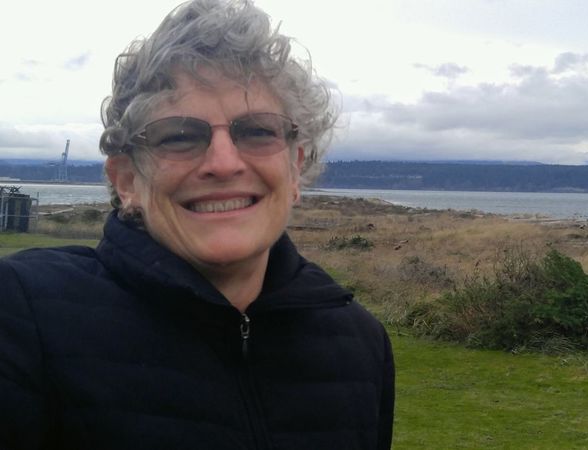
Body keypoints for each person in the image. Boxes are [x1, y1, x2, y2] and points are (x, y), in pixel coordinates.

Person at [0, 0, 394, 448]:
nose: (224, 163)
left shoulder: (360, 345)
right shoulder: (23, 315)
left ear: (294, 168)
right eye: (179, 136)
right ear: (127, 181)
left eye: (257, 131)